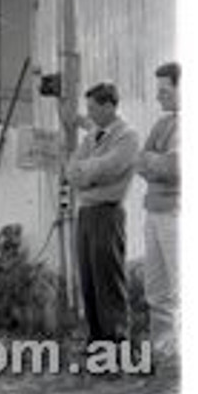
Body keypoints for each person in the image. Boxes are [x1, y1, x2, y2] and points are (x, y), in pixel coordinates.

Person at [65, 82, 141, 344]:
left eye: (93, 108)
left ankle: (117, 345)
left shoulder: (127, 137)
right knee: (88, 280)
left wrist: (86, 175)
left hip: (108, 214)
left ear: (109, 106)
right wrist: (87, 174)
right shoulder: (92, 135)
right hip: (86, 213)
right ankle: (97, 343)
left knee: (108, 281)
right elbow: (71, 169)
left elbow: (107, 169)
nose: (90, 114)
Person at [135, 62, 180, 361]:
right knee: (156, 289)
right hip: (153, 211)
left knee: (181, 285)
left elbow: (174, 167)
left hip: (178, 215)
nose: (157, 97)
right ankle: (162, 352)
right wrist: (156, 162)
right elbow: (140, 162)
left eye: (164, 90)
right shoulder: (163, 124)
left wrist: (156, 163)